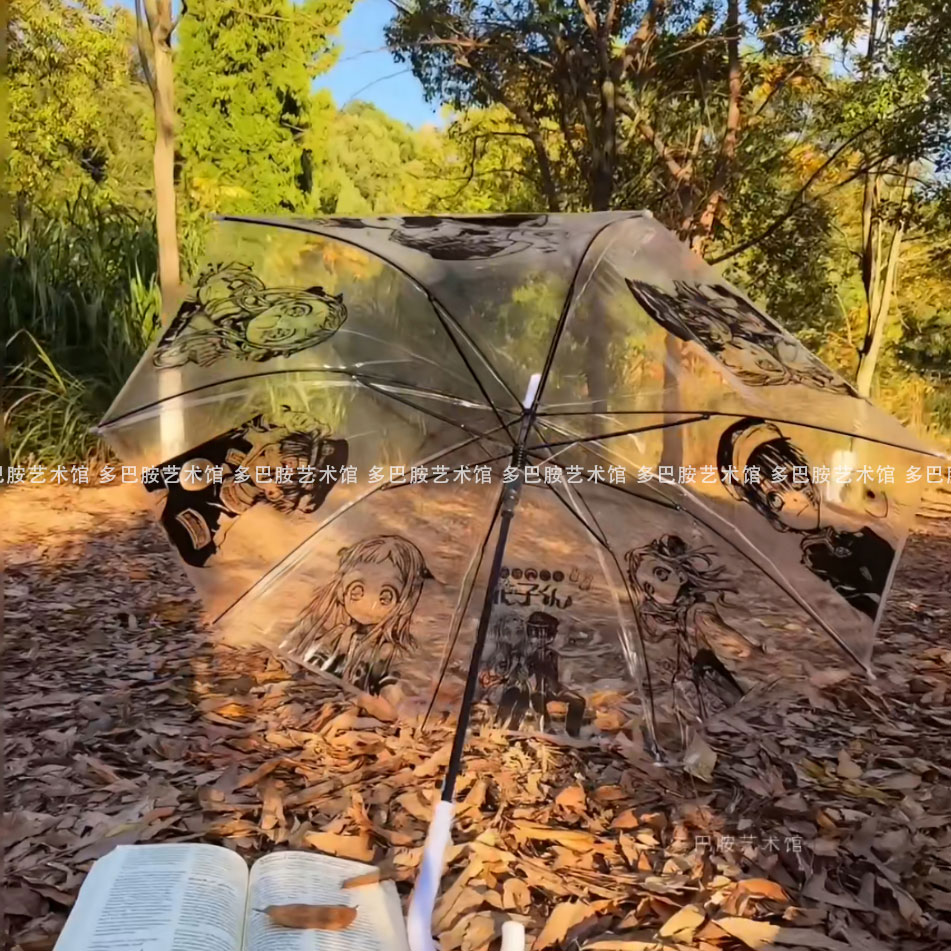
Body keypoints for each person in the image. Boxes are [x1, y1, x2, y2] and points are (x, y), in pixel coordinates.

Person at [717, 418, 895, 621]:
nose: (796, 495)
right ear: (768, 513)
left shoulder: (859, 537)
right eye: (774, 498)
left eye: (795, 477)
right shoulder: (810, 564)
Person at [146, 410, 348, 567]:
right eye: (280, 446)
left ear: (275, 491)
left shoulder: (209, 537)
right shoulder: (230, 449)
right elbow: (153, 476)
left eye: (286, 465)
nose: (270, 450)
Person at [625, 534, 746, 745]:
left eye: (660, 574)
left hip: (717, 702)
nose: (656, 590)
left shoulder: (699, 614)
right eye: (649, 588)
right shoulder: (678, 620)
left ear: (681, 575)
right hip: (697, 704)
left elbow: (739, 650)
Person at [280, 535, 432, 695]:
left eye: (385, 597)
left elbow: (393, 690)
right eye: (357, 589)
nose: (368, 603)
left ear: (404, 604)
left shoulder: (389, 652)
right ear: (341, 587)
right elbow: (285, 652)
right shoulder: (315, 625)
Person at [153, 262, 347, 367]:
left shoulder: (239, 361)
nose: (282, 326)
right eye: (297, 311)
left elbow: (164, 360)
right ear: (282, 299)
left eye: (300, 333)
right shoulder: (231, 289)